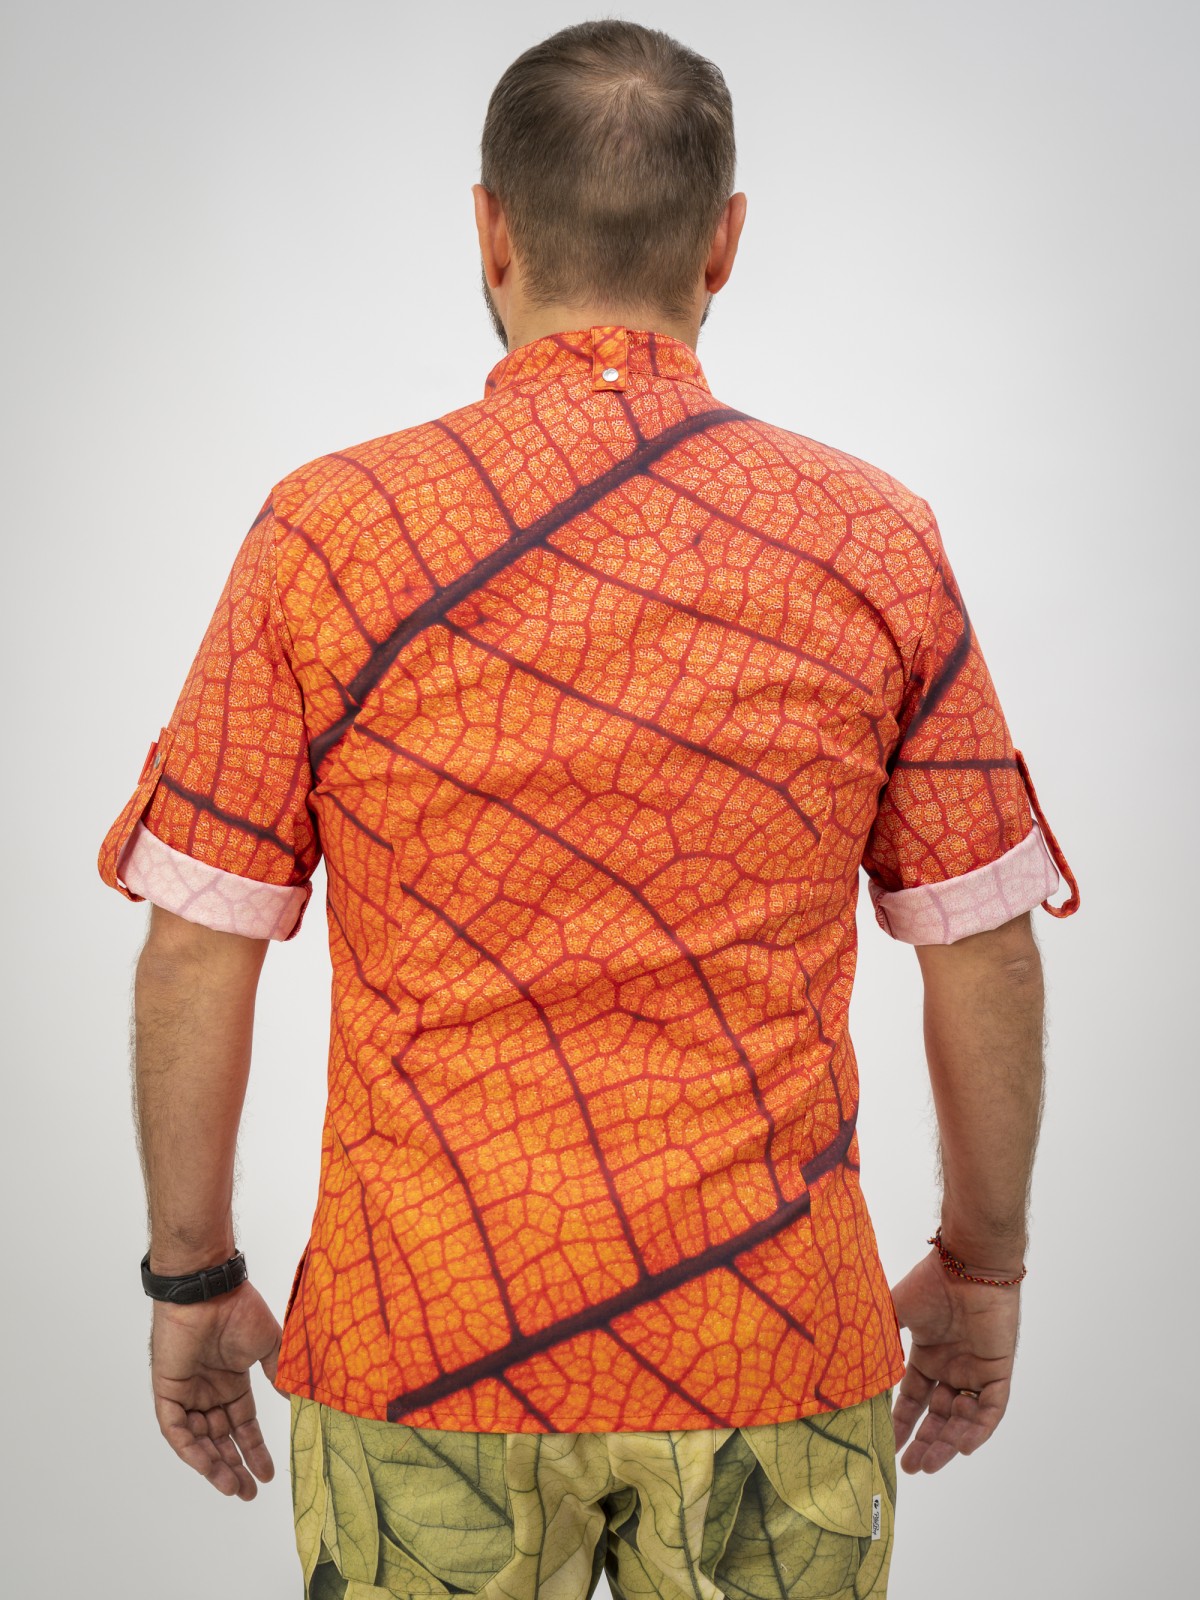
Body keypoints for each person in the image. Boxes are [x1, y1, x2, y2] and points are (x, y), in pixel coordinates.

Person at [97, 18, 1080, 1599]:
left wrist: (191, 1277)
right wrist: (984, 1267)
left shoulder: (327, 536)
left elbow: (198, 947)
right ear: (724, 241)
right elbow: (985, 950)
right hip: (770, 1341)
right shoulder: (874, 541)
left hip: (422, 1344)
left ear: (490, 230)